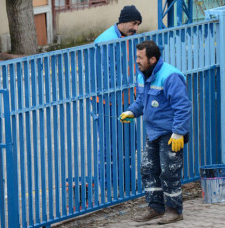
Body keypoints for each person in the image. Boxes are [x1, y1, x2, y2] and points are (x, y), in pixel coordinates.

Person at [119, 40, 191, 224]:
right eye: (136, 57)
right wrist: (131, 112)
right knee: (148, 169)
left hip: (170, 133)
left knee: (169, 171)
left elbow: (183, 107)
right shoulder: (143, 75)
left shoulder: (170, 76)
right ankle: (155, 207)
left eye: (140, 58)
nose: (136, 61)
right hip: (152, 132)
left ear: (152, 59)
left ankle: (174, 210)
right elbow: (141, 101)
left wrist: (178, 132)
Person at [92, 5, 142, 190]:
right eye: (133, 23)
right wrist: (133, 82)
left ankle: (126, 182)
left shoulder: (127, 37)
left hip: (124, 100)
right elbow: (108, 75)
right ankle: (108, 185)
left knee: (129, 143)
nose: (136, 28)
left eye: (138, 24)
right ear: (123, 21)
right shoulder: (107, 41)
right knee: (109, 147)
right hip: (107, 103)